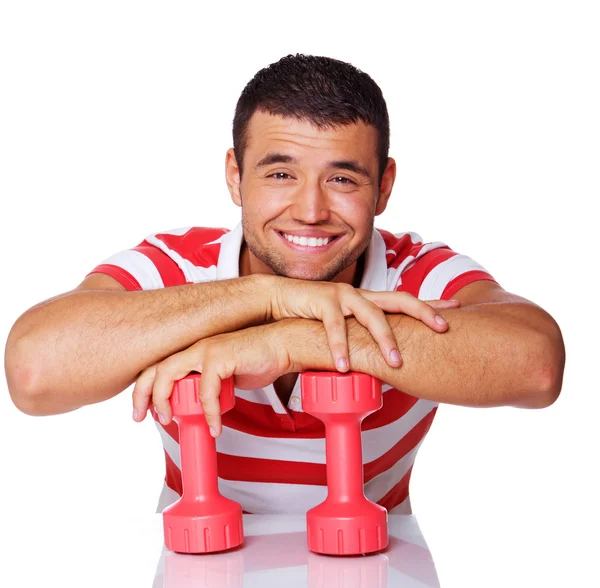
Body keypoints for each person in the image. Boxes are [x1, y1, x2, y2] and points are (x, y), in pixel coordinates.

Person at [5, 53, 565, 516]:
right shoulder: (179, 267)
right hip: (195, 569)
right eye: (280, 174)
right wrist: (265, 298)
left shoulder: (413, 272)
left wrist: (292, 339)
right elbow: (34, 371)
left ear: (385, 186)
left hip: (378, 570)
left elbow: (537, 366)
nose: (311, 210)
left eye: (342, 178)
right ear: (235, 176)